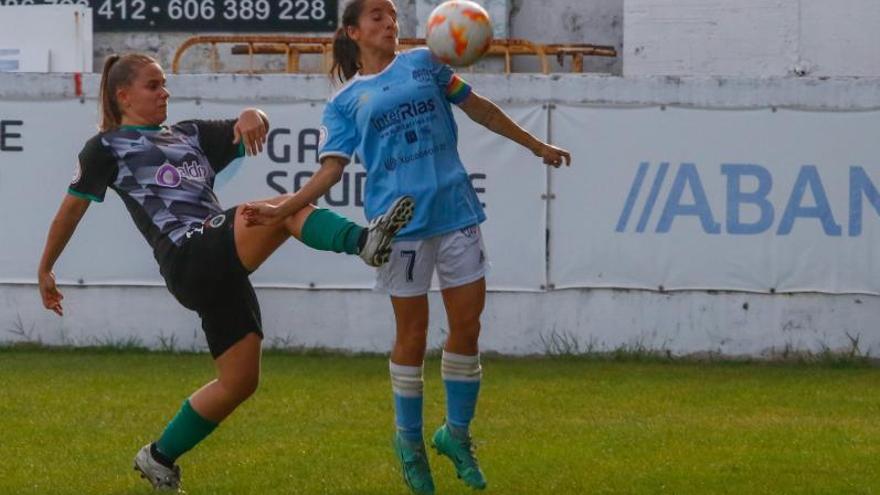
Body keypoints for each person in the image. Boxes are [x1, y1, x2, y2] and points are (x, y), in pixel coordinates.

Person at [36, 53, 414, 492]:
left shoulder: (188, 133)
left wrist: (255, 115)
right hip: (187, 256)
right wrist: (46, 267)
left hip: (218, 266)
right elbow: (70, 212)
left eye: (165, 84)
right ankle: (364, 242)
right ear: (123, 96)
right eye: (154, 85)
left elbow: (245, 124)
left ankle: (158, 457)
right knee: (284, 209)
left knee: (240, 382)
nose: (165, 93)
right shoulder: (107, 147)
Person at [243, 0, 572, 493]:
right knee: (413, 337)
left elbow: (478, 107)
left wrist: (536, 145)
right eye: (376, 15)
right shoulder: (346, 102)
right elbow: (331, 170)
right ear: (353, 31)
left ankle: (455, 435)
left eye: (393, 15)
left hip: (456, 211)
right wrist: (283, 207)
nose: (389, 22)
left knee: (467, 326)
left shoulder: (425, 62)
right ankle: (410, 443)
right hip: (399, 228)